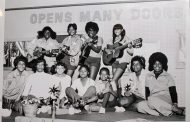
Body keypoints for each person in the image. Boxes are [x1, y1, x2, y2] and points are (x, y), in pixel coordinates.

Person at [137, 52, 185, 116]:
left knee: (151, 100)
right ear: (152, 64)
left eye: (159, 64)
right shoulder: (148, 76)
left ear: (163, 64)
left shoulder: (168, 76)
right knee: (140, 106)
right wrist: (148, 101)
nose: (157, 66)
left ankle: (173, 109)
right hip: (153, 100)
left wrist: (175, 103)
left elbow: (173, 91)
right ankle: (164, 112)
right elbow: (147, 91)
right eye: (155, 64)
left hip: (165, 100)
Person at [106, 24, 134, 97]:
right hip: (114, 61)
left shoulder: (127, 40)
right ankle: (118, 97)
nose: (116, 31)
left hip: (123, 61)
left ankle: (114, 95)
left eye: (118, 29)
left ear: (122, 30)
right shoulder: (111, 40)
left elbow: (131, 53)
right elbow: (106, 49)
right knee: (117, 81)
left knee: (113, 80)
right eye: (115, 29)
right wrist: (109, 51)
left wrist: (130, 47)